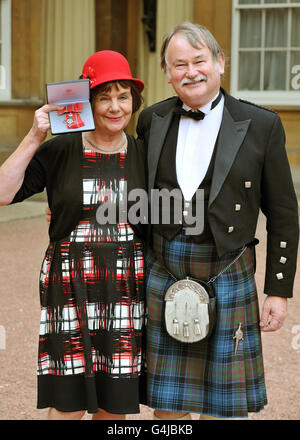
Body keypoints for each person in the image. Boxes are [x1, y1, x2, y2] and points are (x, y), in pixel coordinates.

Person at [136, 22, 299, 420]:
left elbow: (283, 213)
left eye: (199, 61)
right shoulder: (151, 120)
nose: (191, 72)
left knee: (224, 406)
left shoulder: (261, 125)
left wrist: (278, 289)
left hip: (227, 268)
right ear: (168, 73)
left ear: (220, 63)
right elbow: (133, 196)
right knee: (168, 401)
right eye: (179, 64)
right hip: (165, 267)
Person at [0, 51, 147, 420]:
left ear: (134, 101)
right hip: (68, 283)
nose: (115, 107)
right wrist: (35, 135)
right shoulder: (61, 150)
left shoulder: (145, 154)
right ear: (86, 101)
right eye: (103, 97)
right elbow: (3, 193)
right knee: (69, 401)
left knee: (115, 402)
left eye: (123, 96)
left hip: (126, 287)